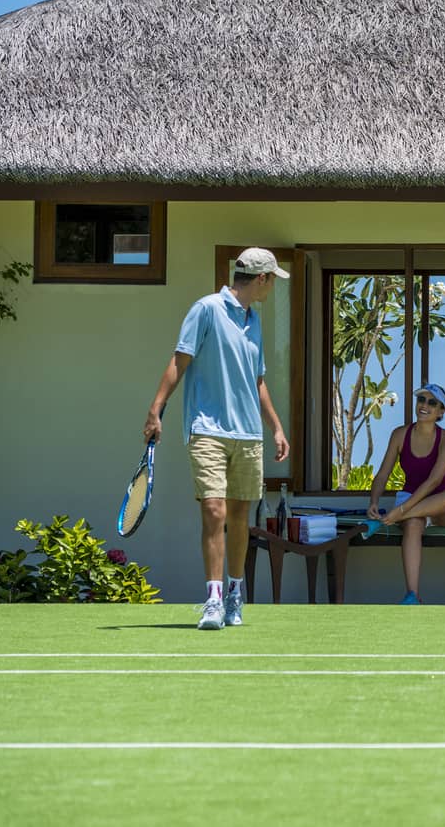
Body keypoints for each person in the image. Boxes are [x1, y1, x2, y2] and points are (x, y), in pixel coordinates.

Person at [144, 248, 291, 630]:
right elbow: (180, 359)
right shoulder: (206, 309)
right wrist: (156, 408)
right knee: (214, 511)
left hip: (249, 434)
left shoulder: (254, 320)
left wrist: (275, 426)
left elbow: (256, 380)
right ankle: (213, 599)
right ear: (261, 279)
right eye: (273, 279)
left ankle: (235, 592)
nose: (273, 286)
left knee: (240, 516)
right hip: (207, 428)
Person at [363, 383, 445, 604]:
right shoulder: (400, 435)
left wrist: (400, 511)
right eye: (421, 400)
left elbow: (434, 481)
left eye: (432, 402)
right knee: (413, 525)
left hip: (440, 503)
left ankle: (390, 519)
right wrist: (374, 501)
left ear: (441, 412)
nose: (424, 405)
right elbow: (382, 475)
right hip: (409, 501)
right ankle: (412, 596)